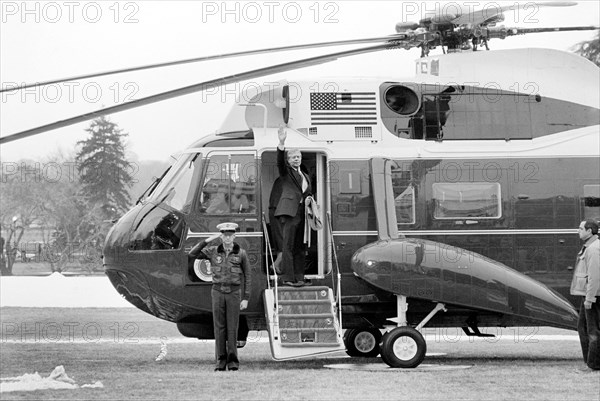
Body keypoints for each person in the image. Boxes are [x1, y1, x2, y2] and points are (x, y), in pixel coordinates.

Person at [188, 222, 251, 371]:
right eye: (224, 235)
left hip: (234, 293)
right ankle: (220, 361)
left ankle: (233, 362)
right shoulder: (212, 251)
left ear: (234, 236)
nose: (227, 238)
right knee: (219, 328)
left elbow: (248, 276)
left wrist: (246, 298)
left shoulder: (241, 253)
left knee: (232, 328)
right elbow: (192, 253)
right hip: (217, 292)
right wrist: (207, 240)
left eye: (230, 235)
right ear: (221, 236)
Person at [274, 126, 312, 287]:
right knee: (288, 246)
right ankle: (288, 278)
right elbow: (279, 162)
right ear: (288, 161)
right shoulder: (286, 172)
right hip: (290, 213)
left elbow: (306, 193)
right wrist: (281, 143)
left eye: (298, 156)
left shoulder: (306, 176)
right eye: (293, 157)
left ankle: (300, 277)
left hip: (303, 214)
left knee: (300, 247)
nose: (296, 159)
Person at [570, 219, 600, 372]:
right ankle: (590, 362)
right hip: (589, 294)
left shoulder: (594, 249)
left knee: (592, 330)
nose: (578, 231)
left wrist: (590, 298)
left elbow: (594, 276)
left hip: (593, 296)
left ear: (589, 231)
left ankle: (593, 365)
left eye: (581, 228)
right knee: (582, 327)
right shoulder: (590, 247)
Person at [268, 177, 283, 274]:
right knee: (286, 243)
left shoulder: (279, 180)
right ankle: (275, 264)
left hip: (274, 211)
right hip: (280, 213)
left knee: (279, 242)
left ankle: (278, 267)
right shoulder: (288, 180)